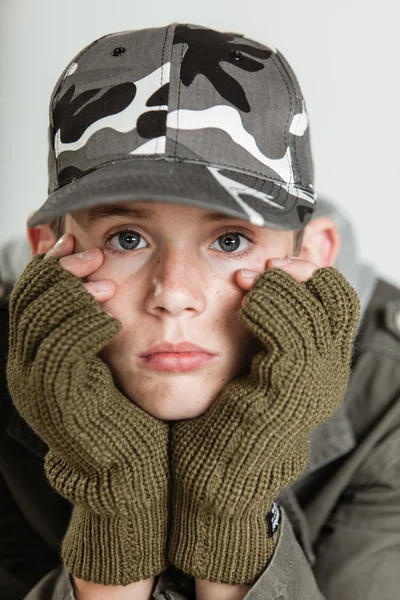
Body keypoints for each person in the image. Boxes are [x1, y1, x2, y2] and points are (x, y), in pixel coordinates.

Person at [1, 22, 399, 600]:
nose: (174, 293)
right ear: (49, 253)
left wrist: (232, 504)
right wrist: (112, 508)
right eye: (127, 239)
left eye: (231, 241)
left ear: (312, 257)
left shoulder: (387, 400)